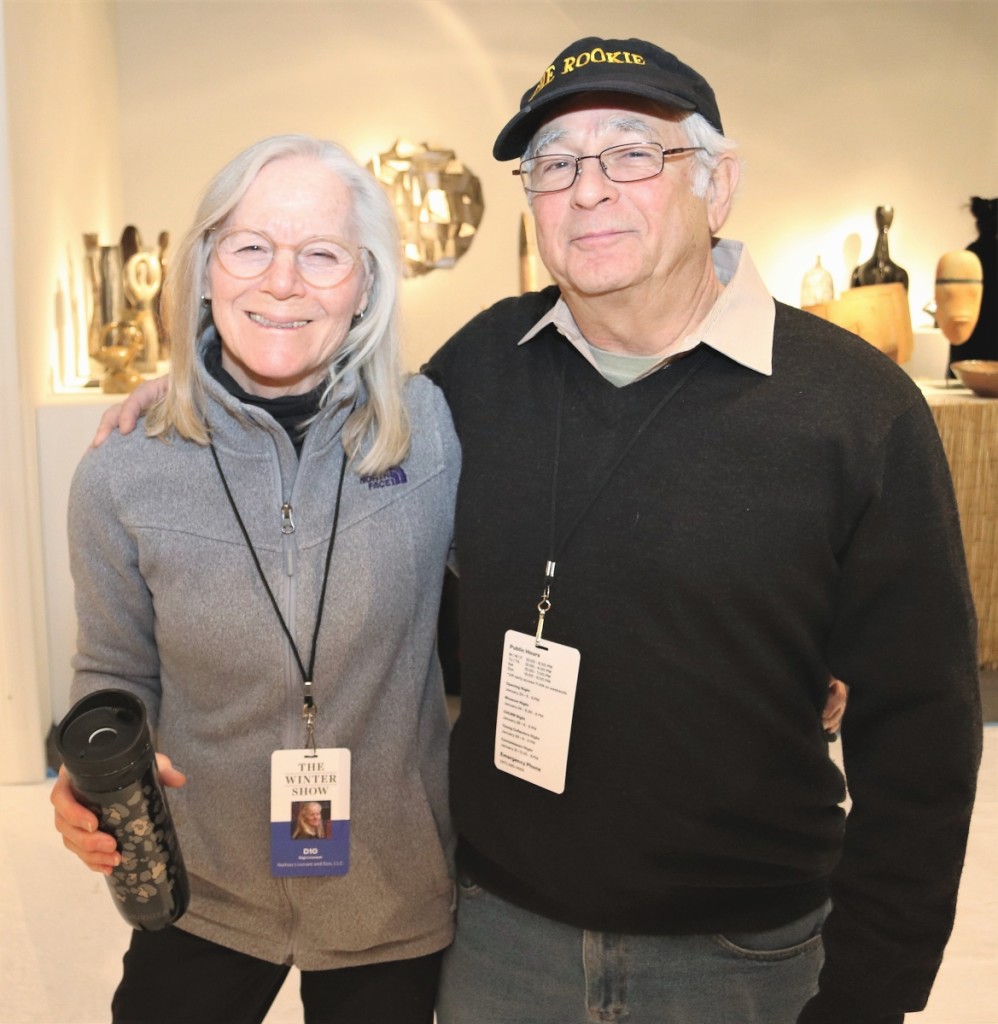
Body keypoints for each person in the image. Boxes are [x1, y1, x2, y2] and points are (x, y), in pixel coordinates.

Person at [91, 35, 982, 1024]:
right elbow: (326, 443)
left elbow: (921, 740)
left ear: (716, 184)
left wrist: (869, 993)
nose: (587, 189)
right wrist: (206, 384)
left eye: (630, 152)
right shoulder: (474, 373)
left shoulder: (854, 409)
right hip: (497, 939)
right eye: (553, 163)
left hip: (743, 953)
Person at [51, 133, 460, 1024]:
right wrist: (84, 779)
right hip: (204, 890)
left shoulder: (435, 433)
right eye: (249, 247)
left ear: (366, 286)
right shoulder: (122, 473)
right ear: (201, 269)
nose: (283, 282)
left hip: (391, 893)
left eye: (322, 254)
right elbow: (111, 674)